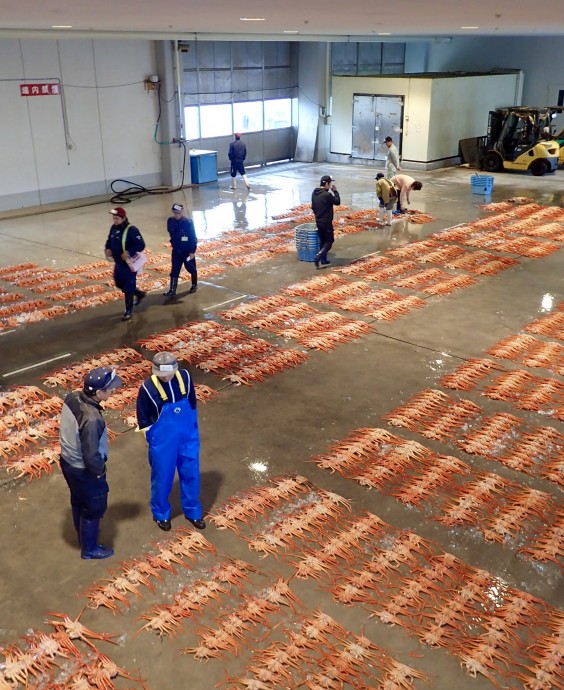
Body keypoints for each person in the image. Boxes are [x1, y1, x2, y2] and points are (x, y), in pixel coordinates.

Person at [136, 352, 205, 532]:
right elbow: (143, 419)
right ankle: (161, 513)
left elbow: (192, 402)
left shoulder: (185, 377)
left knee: (191, 473)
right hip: (163, 442)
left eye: (169, 373)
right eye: (162, 375)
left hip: (188, 437)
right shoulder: (147, 389)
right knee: (162, 477)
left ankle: (193, 511)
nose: (165, 377)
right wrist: (153, 440)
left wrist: (191, 429)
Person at [59, 367, 123, 559]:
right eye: (109, 388)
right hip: (83, 469)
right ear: (97, 393)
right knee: (94, 506)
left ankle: (83, 535)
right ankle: (90, 549)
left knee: (78, 499)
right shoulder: (92, 419)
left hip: (67, 461)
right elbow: (91, 454)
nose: (114, 391)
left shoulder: (72, 397)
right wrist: (99, 472)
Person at [104, 207, 146, 321]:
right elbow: (109, 240)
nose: (115, 221)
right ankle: (139, 293)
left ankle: (128, 310)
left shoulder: (132, 230)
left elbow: (141, 244)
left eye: (117, 218)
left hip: (128, 264)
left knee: (128, 287)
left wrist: (128, 252)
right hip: (118, 263)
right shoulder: (113, 228)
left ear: (123, 218)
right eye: (114, 218)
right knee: (118, 283)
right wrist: (107, 248)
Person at [163, 203, 198, 298]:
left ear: (181, 212)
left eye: (178, 213)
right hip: (176, 251)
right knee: (174, 270)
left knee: (191, 268)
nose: (176, 215)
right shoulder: (170, 221)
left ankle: (194, 285)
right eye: (175, 213)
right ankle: (172, 290)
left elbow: (193, 238)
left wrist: (192, 252)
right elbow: (170, 232)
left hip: (187, 251)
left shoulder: (188, 222)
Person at [311, 174, 340, 269]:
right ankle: (318, 256)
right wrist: (335, 191)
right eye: (330, 183)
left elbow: (313, 207)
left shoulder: (314, 193)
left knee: (322, 241)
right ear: (327, 184)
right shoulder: (327, 195)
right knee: (329, 241)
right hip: (326, 222)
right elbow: (337, 202)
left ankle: (324, 260)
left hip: (318, 221)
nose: (330, 185)